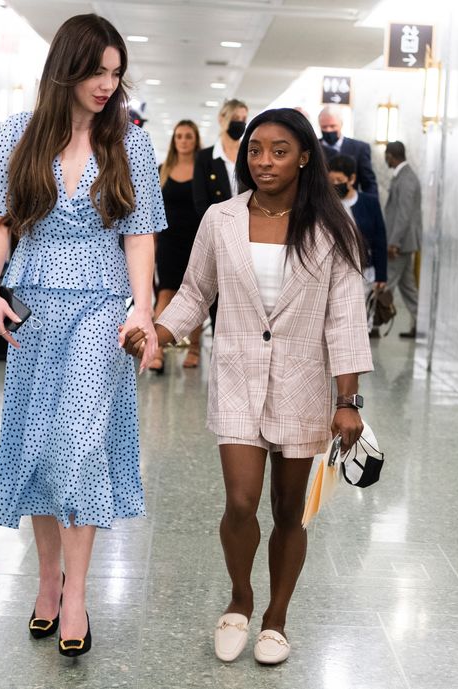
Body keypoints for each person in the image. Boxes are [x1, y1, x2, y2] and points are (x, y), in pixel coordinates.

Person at [122, 108, 372, 666]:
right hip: (236, 375)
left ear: (305, 155)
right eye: (256, 150)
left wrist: (347, 401)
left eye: (279, 151)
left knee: (289, 511)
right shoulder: (222, 219)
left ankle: (276, 619)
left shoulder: (333, 229)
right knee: (240, 501)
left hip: (303, 382)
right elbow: (194, 293)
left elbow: (346, 319)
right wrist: (155, 332)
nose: (264, 161)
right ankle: (239, 599)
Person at [0, 14, 166, 658]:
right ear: (67, 68)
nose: (108, 84)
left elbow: (140, 232)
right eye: (96, 71)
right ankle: (46, 578)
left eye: (116, 73)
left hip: (104, 308)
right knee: (41, 445)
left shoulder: (129, 142)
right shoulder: (17, 135)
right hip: (36, 303)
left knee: (80, 446)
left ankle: (76, 591)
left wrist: (141, 310)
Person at [151, 120, 203, 372]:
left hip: (197, 240)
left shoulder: (203, 169)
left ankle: (194, 348)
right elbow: (153, 209)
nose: (183, 141)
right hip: (169, 241)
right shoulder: (163, 169)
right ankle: (156, 349)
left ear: (195, 140)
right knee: (165, 292)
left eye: (188, 136)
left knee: (195, 294)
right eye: (179, 136)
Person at [193, 98, 248, 333]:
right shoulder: (206, 157)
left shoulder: (249, 152)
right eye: (236, 119)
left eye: (244, 119)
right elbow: (200, 200)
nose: (240, 124)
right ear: (222, 119)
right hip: (218, 233)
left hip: (248, 231)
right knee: (218, 290)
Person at [327, 154, 389, 335]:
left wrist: (381, 276)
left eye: (339, 180)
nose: (335, 184)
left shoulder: (369, 203)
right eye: (331, 180)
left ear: (352, 179)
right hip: (334, 271)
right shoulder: (326, 204)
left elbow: (379, 239)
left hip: (364, 272)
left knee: (359, 322)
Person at [383, 141, 423, 339]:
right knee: (408, 288)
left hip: (400, 244)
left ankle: (370, 325)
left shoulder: (407, 178)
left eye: (386, 156)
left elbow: (404, 214)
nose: (385, 160)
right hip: (404, 243)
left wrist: (394, 242)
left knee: (386, 284)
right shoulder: (403, 176)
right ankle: (420, 325)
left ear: (391, 155)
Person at [318, 106, 378, 195]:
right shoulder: (312, 147)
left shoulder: (359, 148)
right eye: (324, 127)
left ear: (341, 124)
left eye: (332, 126)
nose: (328, 130)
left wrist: (371, 205)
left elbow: (368, 183)